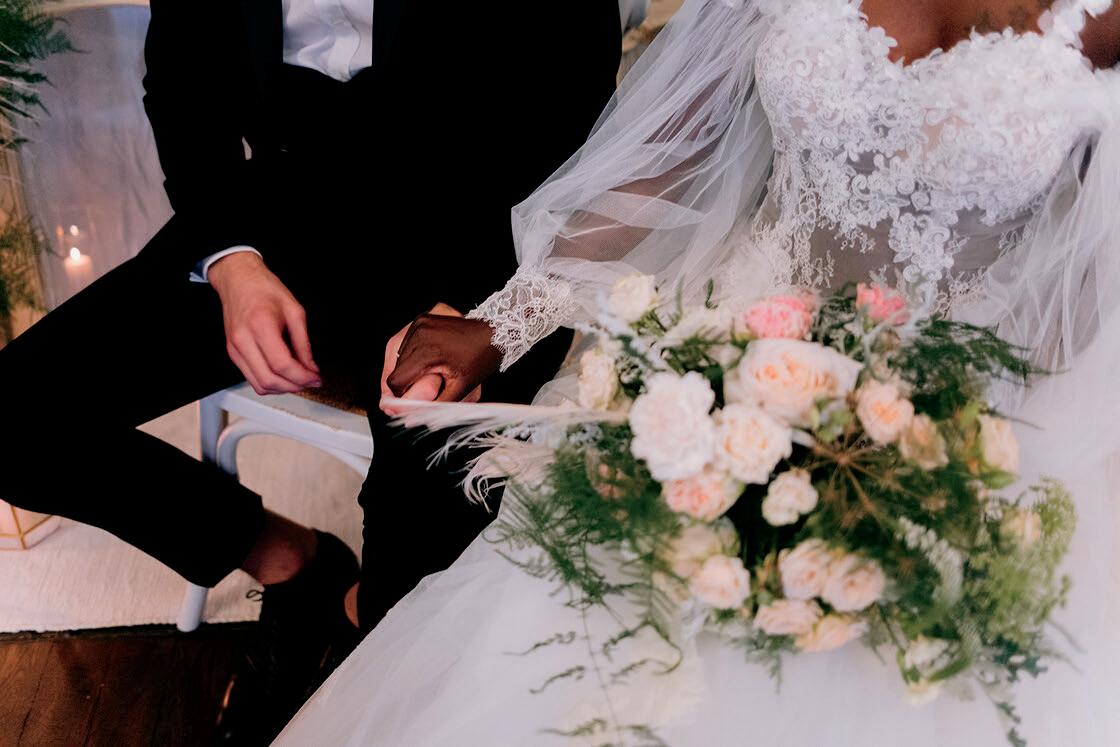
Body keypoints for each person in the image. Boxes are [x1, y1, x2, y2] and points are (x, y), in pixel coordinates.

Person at [281, 0, 1120, 744]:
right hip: (720, 379)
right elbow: (674, 152)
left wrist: (985, 439)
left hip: (970, 416)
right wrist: (503, 319)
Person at [0, 0, 621, 742]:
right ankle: (292, 564)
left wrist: (477, 310)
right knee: (13, 420)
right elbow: (181, 87)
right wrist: (230, 260)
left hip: (482, 224)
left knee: (416, 591)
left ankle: (362, 617)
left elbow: (571, 102)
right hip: (282, 205)